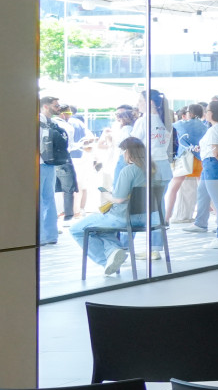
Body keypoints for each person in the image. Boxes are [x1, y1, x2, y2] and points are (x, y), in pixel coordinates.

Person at [67, 136, 149, 276]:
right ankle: (114, 251)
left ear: (128, 152)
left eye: (123, 151)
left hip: (122, 217)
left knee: (76, 229)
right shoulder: (153, 170)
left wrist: (107, 195)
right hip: (144, 218)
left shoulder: (129, 170)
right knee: (104, 230)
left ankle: (105, 261)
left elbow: (119, 199)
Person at [129, 89, 173, 258]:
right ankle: (155, 247)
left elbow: (132, 145)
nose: (138, 104)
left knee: (142, 207)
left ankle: (127, 245)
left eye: (140, 101)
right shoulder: (166, 121)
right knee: (158, 207)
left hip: (150, 167)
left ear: (150, 103)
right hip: (164, 167)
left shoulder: (143, 121)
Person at [188, 97, 218, 249]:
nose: (205, 113)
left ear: (212, 113)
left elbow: (216, 152)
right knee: (207, 194)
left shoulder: (213, 130)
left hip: (213, 166)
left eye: (207, 110)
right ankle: (202, 223)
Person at [167, 102, 208, 222]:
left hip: (185, 158)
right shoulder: (204, 126)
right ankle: (206, 217)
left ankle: (167, 216)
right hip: (200, 159)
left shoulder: (182, 124)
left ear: (191, 113)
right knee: (203, 189)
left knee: (173, 187)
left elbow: (170, 125)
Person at [38, 96, 69, 245]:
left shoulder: (41, 122)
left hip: (41, 164)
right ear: (45, 106)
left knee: (41, 200)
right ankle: (50, 235)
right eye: (56, 106)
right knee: (48, 199)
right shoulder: (52, 123)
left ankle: (42, 236)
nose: (58, 108)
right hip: (49, 163)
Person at [54, 107, 85, 219]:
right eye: (69, 113)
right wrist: (81, 144)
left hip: (49, 161)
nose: (70, 116)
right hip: (64, 159)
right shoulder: (67, 126)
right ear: (63, 114)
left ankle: (56, 213)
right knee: (68, 189)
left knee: (51, 189)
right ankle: (68, 215)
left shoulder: (50, 123)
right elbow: (69, 145)